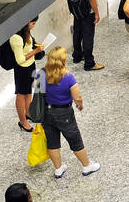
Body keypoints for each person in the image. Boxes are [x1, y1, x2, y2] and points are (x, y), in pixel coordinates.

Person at [41, 46, 99, 179]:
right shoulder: (68, 77)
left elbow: (38, 92)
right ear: (63, 61)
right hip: (64, 113)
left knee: (52, 142)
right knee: (75, 140)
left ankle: (58, 168)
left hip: (46, 112)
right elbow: (77, 97)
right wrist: (80, 105)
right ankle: (87, 165)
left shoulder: (40, 74)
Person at [10, 19, 45, 133]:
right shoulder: (16, 37)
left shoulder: (26, 32)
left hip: (30, 65)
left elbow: (28, 48)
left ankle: (28, 113)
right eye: (33, 23)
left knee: (29, 92)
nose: (34, 25)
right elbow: (19, 60)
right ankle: (22, 121)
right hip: (22, 69)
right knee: (21, 94)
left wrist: (37, 47)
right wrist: (36, 51)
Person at [68, 0, 103, 71]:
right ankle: (89, 63)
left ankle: (77, 56)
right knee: (88, 36)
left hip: (76, 8)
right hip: (87, 10)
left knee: (77, 32)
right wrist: (96, 12)